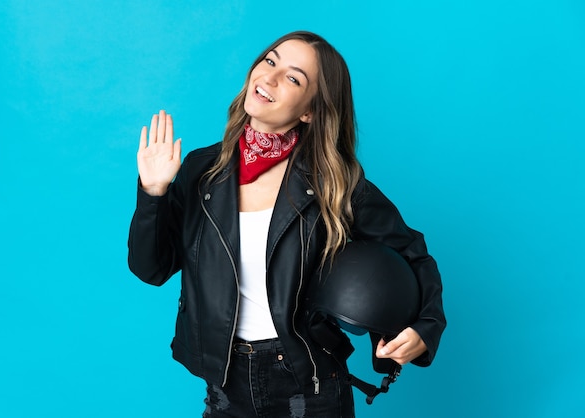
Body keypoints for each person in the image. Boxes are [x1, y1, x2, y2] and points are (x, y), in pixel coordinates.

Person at [128, 31, 446, 418]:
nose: (271, 77)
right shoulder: (201, 171)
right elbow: (152, 268)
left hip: (308, 382)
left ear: (309, 110)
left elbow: (411, 252)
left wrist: (424, 328)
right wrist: (153, 192)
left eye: (294, 78)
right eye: (270, 61)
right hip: (224, 381)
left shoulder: (334, 181)